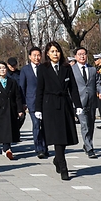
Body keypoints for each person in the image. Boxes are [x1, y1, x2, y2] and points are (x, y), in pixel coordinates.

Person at [35, 41, 81, 180]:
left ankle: (57, 159)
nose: (55, 54)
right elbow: (40, 89)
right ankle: (63, 166)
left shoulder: (66, 67)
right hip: (50, 105)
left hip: (65, 104)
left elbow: (73, 88)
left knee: (64, 136)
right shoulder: (43, 68)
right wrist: (38, 108)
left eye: (57, 51)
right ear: (47, 54)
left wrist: (78, 105)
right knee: (57, 137)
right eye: (53, 51)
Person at [0, 61, 25, 160]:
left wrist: (19, 109)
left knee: (9, 129)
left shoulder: (12, 82)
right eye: (0, 68)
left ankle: (7, 148)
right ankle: (6, 148)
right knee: (3, 130)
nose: (2, 70)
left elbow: (17, 97)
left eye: (4, 68)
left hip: (10, 109)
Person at [19, 46, 48, 158]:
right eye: (34, 55)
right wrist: (23, 103)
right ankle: (38, 148)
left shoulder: (45, 68)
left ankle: (45, 147)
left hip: (44, 101)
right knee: (36, 124)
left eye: (39, 55)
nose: (37, 57)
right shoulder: (25, 70)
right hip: (32, 101)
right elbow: (22, 87)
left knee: (44, 125)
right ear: (30, 56)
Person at [72, 47, 100, 158]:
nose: (82, 56)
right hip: (79, 101)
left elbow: (97, 82)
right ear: (75, 56)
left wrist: (100, 91)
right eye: (79, 54)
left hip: (92, 100)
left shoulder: (92, 69)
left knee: (91, 124)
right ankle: (89, 148)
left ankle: (87, 143)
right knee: (85, 125)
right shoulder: (72, 70)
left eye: (84, 54)